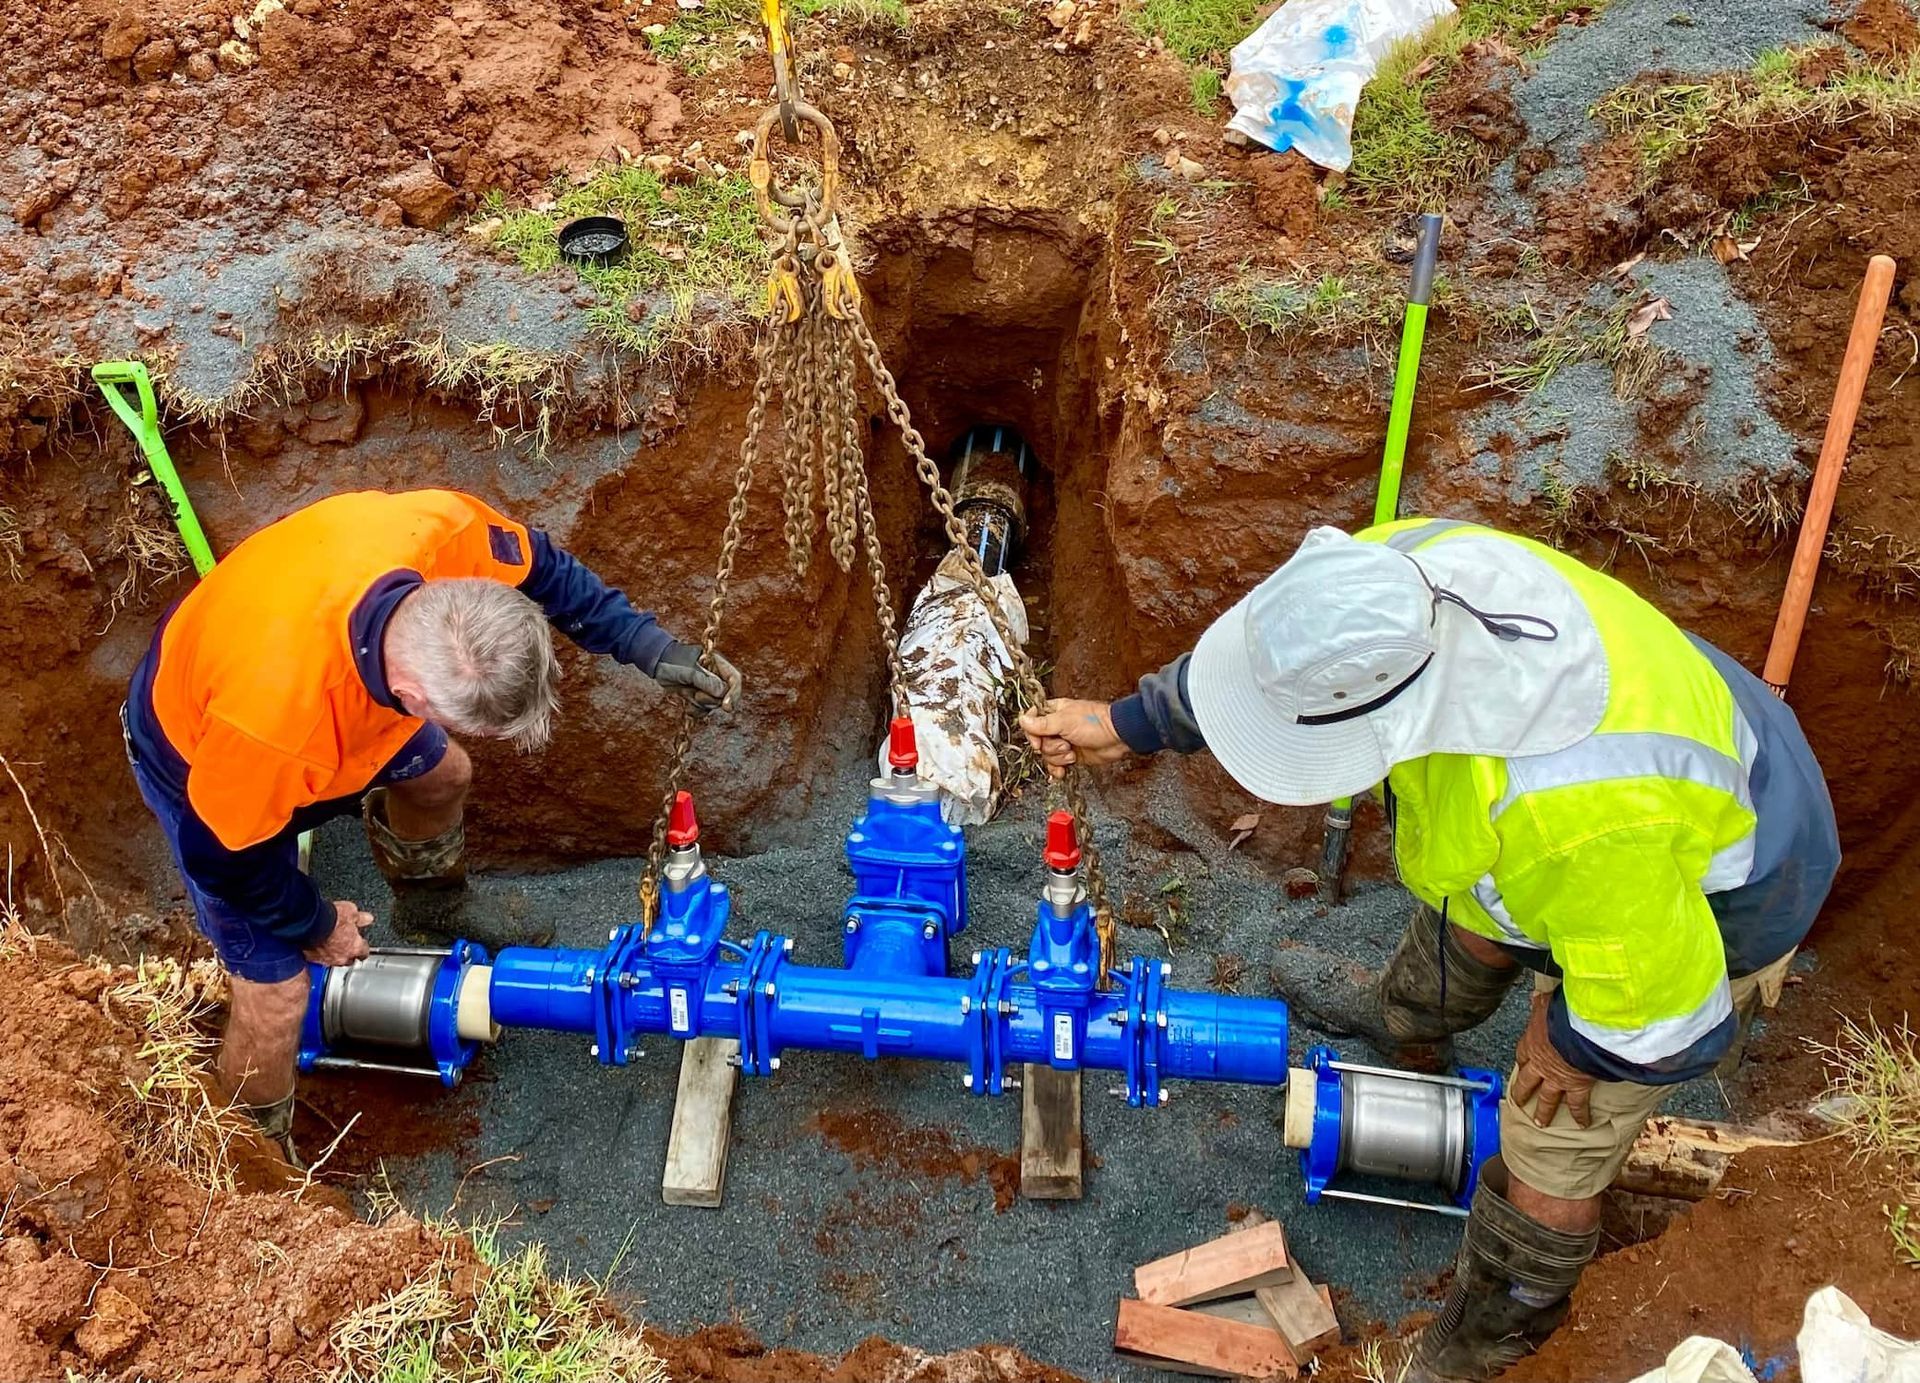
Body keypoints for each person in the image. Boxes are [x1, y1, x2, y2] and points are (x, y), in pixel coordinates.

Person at [1020, 517, 1838, 1381]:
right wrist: (1130, 721)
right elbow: (1279, 666)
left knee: (1553, 1125)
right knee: (1486, 874)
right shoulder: (1387, 572)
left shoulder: (1570, 818)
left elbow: (1662, 1008)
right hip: (1653, 747)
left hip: (1735, 876)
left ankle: (1499, 1332)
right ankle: (1410, 1013)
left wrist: (1563, 1039)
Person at [122, 488, 741, 1162]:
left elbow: (548, 570)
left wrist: (649, 647)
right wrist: (316, 924)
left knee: (443, 773)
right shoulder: (276, 726)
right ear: (414, 698)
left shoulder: (445, 535)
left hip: (312, 683)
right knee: (276, 993)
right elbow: (224, 860)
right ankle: (250, 1159)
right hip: (198, 757)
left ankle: (431, 907)